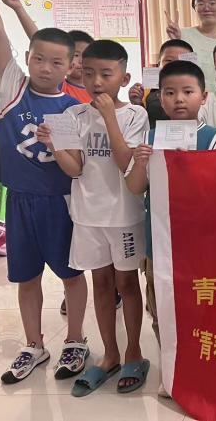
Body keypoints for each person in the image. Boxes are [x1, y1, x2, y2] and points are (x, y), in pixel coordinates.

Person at [0, 0, 89, 384]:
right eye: (38, 59)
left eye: (55, 62)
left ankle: (75, 339)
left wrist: (56, 146)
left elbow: (77, 168)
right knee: (25, 277)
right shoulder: (13, 87)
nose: (45, 67)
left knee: (72, 275)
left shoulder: (74, 109)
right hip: (20, 202)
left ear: (69, 66)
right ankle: (33, 345)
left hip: (60, 203)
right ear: (27, 59)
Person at [38, 40, 150, 396]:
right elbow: (75, 169)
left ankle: (134, 353)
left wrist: (109, 118)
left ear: (123, 78)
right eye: (88, 73)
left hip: (124, 216)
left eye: (106, 74)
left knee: (127, 285)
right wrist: (55, 146)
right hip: (87, 217)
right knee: (101, 285)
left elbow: (126, 163)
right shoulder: (73, 115)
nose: (97, 81)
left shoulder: (136, 115)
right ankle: (110, 354)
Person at [124, 60, 216, 396]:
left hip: (202, 248)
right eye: (169, 92)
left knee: (203, 308)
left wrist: (194, 166)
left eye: (187, 92)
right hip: (159, 244)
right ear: (160, 98)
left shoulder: (214, 139)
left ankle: (205, 368)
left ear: (204, 97)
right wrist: (141, 161)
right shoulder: (150, 138)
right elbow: (135, 188)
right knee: (162, 309)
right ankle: (171, 371)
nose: (179, 99)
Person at [0, 0, 94, 102]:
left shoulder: (98, 92)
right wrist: (18, 9)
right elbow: (38, 39)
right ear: (68, 64)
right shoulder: (60, 85)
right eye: (76, 55)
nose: (82, 61)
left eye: (86, 56)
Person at [129, 39, 195, 128]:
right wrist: (137, 103)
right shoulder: (146, 90)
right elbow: (143, 122)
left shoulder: (198, 90)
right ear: (159, 64)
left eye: (182, 62)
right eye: (169, 60)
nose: (175, 65)